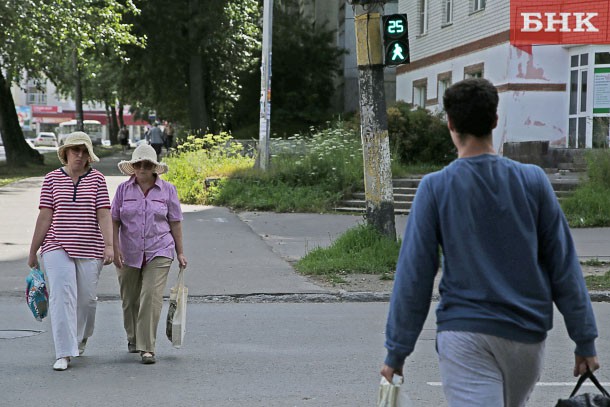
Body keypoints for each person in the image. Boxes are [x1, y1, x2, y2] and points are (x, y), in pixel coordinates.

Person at [380, 78, 599, 406]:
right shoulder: (533, 182)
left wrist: (397, 351)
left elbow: (415, 275)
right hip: (526, 338)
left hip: (466, 334)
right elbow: (563, 265)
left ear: (450, 124)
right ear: (495, 121)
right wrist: (584, 339)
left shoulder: (436, 189)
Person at [28, 131, 114, 371]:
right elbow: (45, 216)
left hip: (90, 246)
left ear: (89, 156)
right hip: (57, 245)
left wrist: (109, 245)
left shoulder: (97, 179)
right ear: (65, 153)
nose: (79, 154)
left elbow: (104, 213)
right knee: (61, 297)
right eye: (74, 150)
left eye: (84, 151)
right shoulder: (52, 179)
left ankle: (81, 336)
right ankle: (64, 353)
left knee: (86, 300)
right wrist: (33, 250)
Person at [112, 144, 187, 364]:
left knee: (150, 297)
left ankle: (147, 347)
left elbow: (175, 221)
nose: (142, 168)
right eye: (138, 164)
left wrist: (180, 252)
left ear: (154, 167)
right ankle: (134, 339)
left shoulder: (168, 190)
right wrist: (114, 248)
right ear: (133, 167)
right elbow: (114, 220)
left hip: (160, 249)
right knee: (130, 299)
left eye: (147, 164)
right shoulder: (123, 190)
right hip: (128, 250)